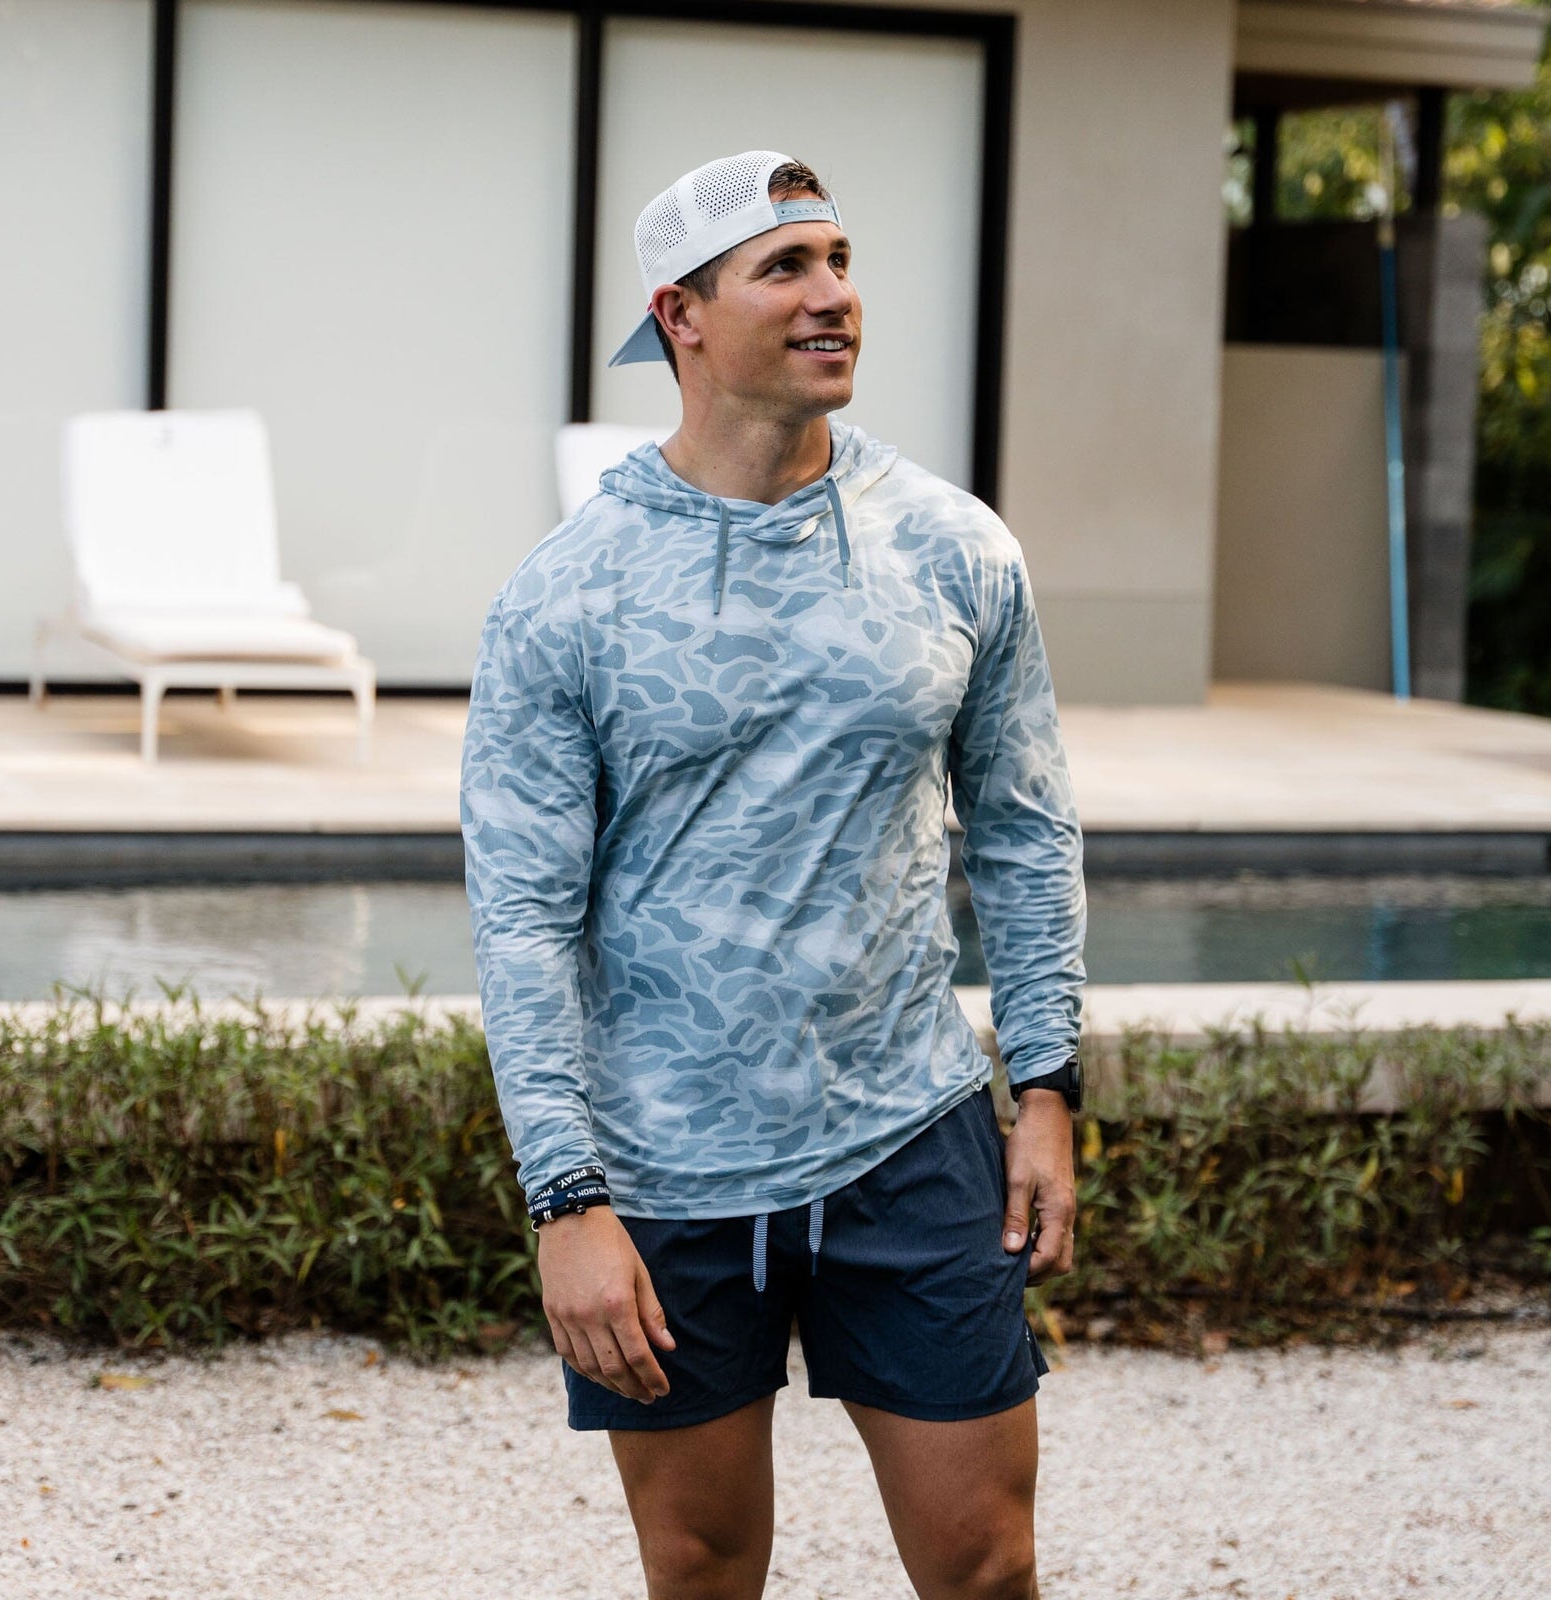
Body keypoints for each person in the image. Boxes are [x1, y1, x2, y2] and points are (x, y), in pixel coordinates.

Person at [461, 150, 1086, 1600]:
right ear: (680, 316)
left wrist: (1048, 1088)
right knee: (701, 1570)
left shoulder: (956, 547)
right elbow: (524, 918)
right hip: (662, 1165)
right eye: (786, 267)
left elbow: (1024, 824)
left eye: (841, 261)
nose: (834, 296)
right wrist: (566, 1201)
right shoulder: (566, 594)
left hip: (911, 1132)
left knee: (988, 1566)